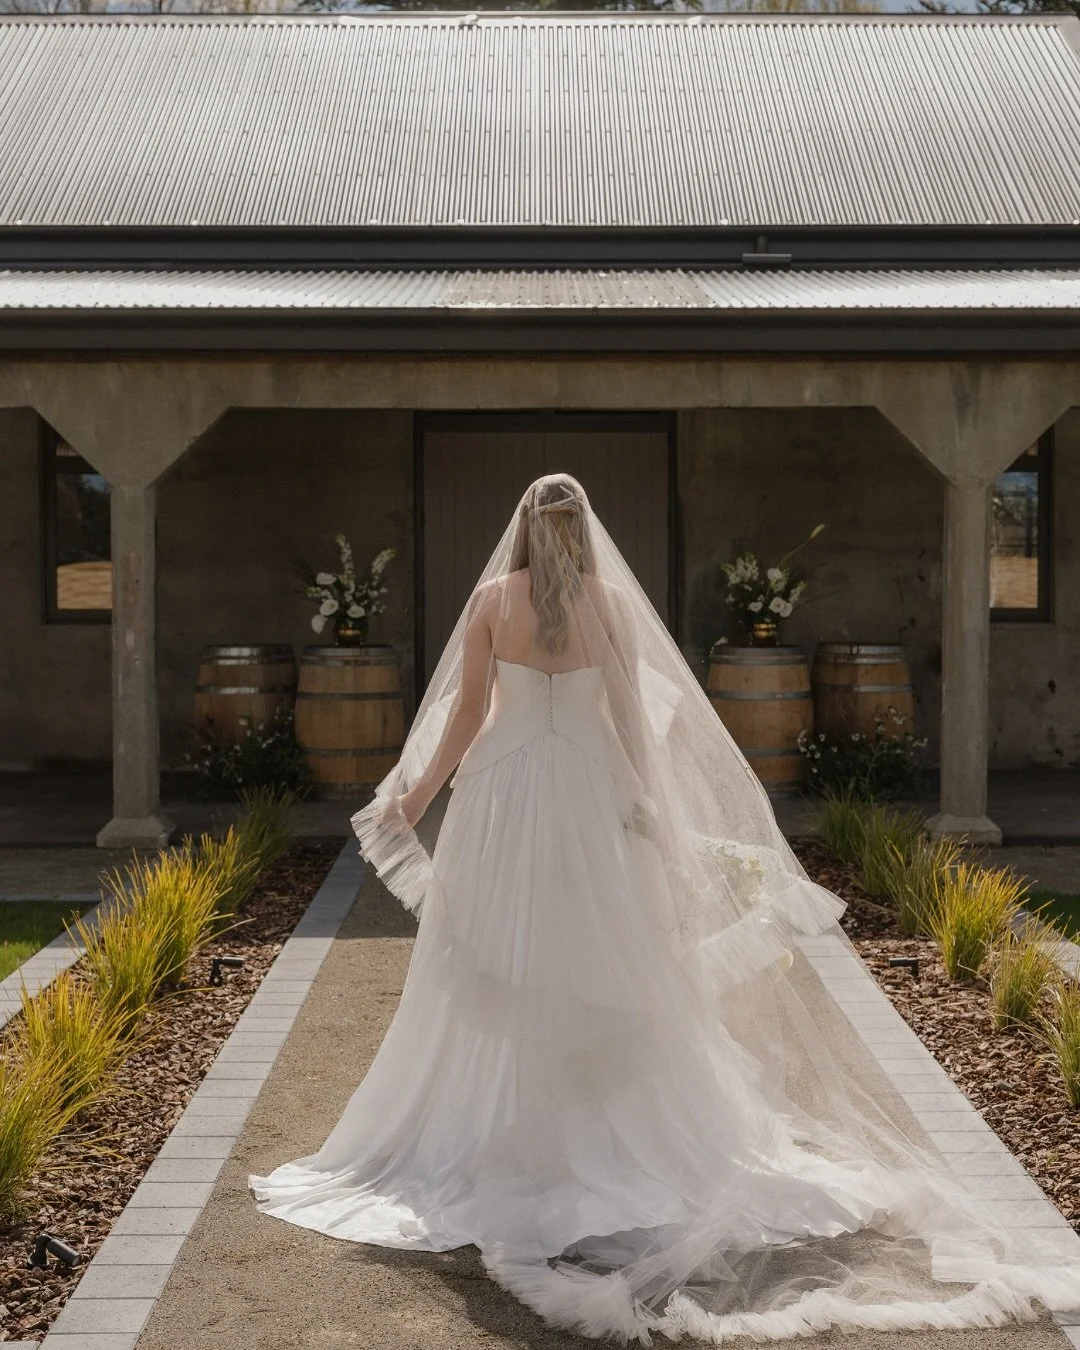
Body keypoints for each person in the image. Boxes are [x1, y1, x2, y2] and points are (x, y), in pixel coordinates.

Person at [251, 473, 1080, 1343]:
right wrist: (653, 807)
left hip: (504, 794)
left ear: (524, 529)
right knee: (594, 945)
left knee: (505, 946)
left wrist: (415, 799)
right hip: (584, 787)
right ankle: (591, 1122)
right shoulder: (608, 602)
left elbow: (465, 713)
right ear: (583, 532)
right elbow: (628, 720)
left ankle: (510, 1118)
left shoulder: (494, 599)